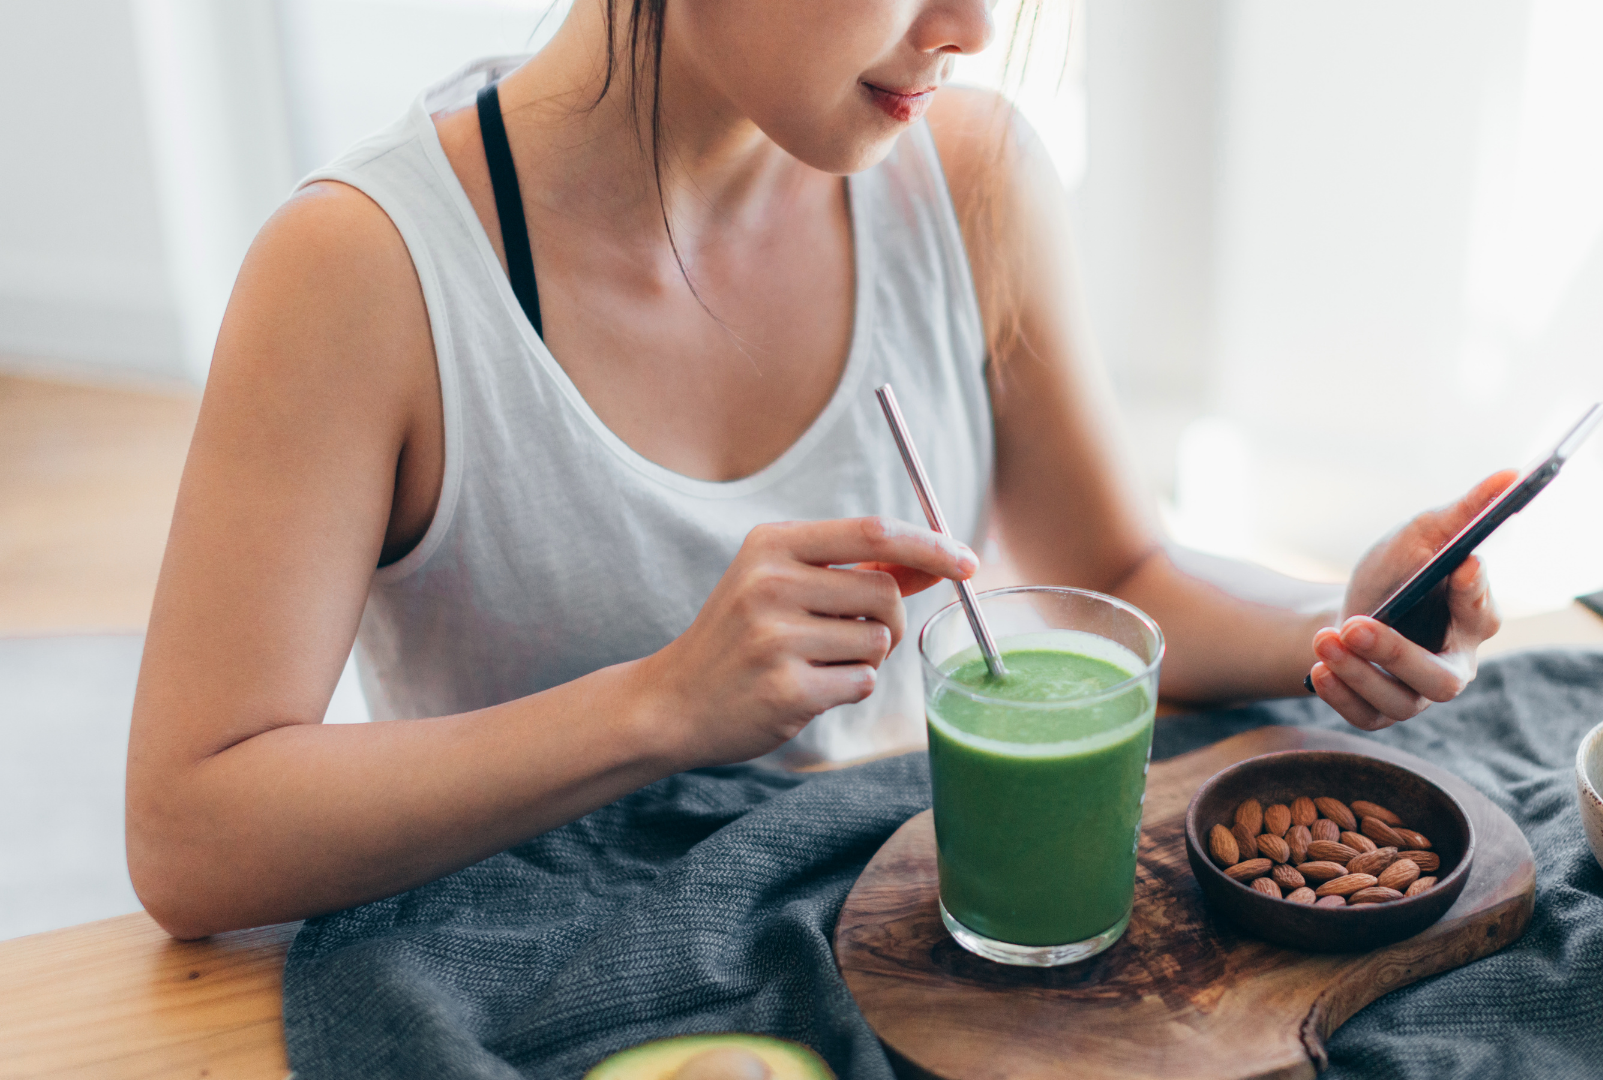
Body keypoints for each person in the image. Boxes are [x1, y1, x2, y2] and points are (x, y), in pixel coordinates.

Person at [126, 0, 1509, 941]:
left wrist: (1338, 625)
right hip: (549, 975)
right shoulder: (365, 272)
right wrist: (659, 706)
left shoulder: (964, 177)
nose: (970, 28)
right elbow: (192, 834)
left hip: (887, 926)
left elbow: (1115, 577)